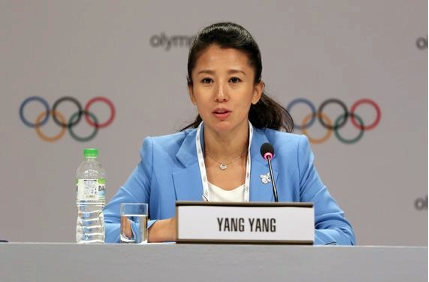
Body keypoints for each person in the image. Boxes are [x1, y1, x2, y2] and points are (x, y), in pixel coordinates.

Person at [103, 22, 356, 245]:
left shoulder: (290, 155)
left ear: (256, 91)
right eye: (207, 81)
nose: (220, 94)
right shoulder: (159, 156)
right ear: (191, 92)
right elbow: (101, 230)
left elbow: (342, 235)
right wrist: (163, 229)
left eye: (234, 80)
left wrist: (285, 234)